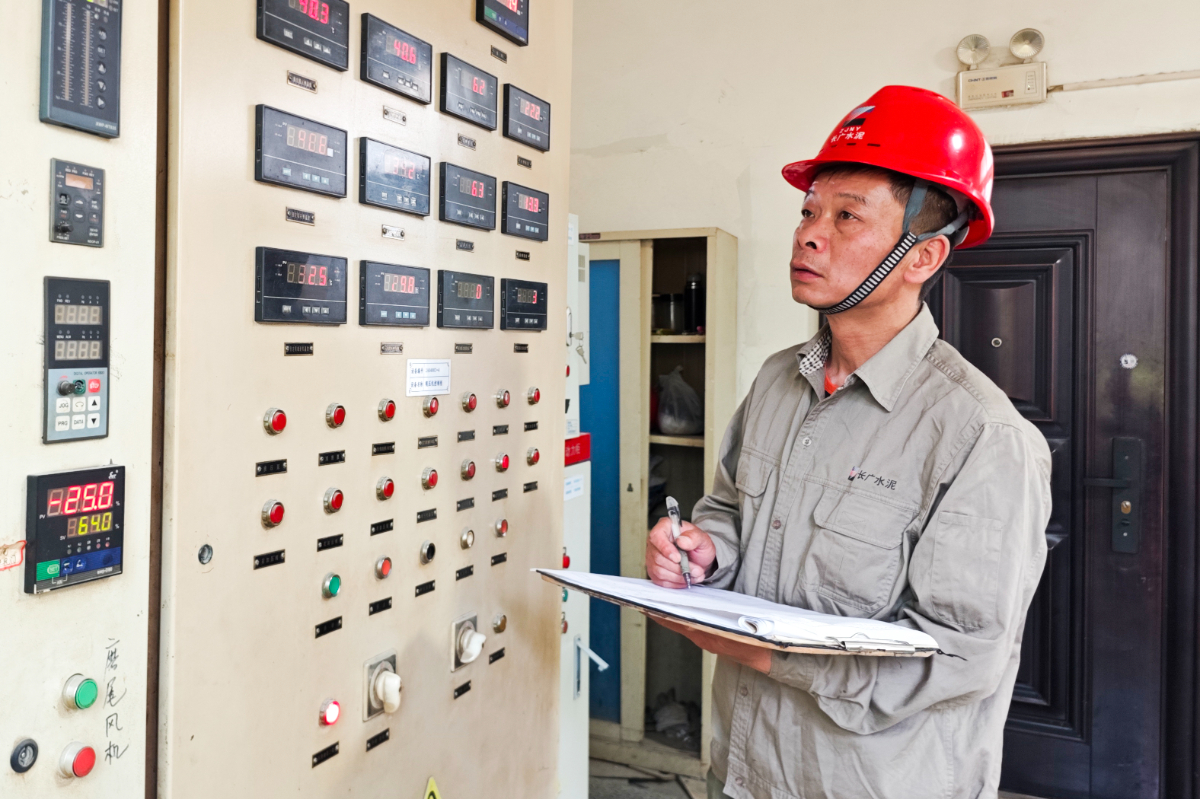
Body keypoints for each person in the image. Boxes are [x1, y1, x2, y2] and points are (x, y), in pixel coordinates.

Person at [644, 85, 1052, 799]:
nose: (809, 234)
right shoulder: (777, 382)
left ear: (922, 258)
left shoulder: (981, 435)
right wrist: (707, 552)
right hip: (741, 772)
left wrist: (772, 656)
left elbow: (960, 655)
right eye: (808, 210)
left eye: (847, 216)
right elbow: (728, 511)